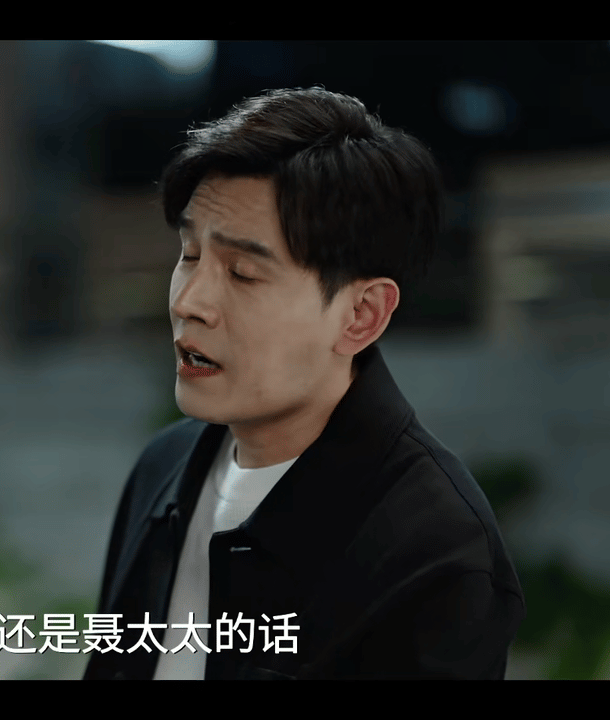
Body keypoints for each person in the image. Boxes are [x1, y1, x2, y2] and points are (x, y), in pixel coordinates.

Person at [83, 88, 524, 680]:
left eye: (242, 272)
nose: (189, 302)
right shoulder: (162, 470)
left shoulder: (434, 546)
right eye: (189, 255)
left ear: (361, 315)